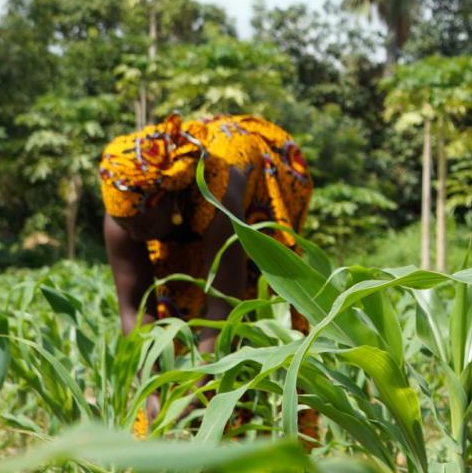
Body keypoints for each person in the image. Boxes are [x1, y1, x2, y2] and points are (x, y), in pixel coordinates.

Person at [97, 113, 315, 436]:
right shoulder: (124, 209)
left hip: (259, 187)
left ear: (166, 198)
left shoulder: (218, 198)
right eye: (124, 225)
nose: (136, 236)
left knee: (254, 318)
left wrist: (196, 392)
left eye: (141, 226)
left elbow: (224, 309)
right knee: (179, 310)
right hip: (180, 215)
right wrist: (152, 390)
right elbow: (134, 311)